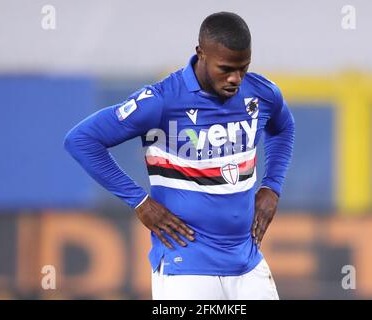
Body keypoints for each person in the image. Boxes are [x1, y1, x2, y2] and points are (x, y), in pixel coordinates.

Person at [64, 11, 295, 300]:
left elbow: (284, 127)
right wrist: (140, 201)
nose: (236, 78)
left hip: (246, 261)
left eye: (243, 67)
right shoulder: (161, 100)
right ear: (201, 53)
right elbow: (81, 140)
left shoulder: (261, 93)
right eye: (225, 68)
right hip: (185, 265)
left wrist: (272, 186)